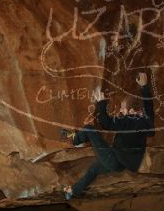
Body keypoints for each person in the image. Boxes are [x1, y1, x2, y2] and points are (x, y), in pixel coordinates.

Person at [63, 71, 155, 199]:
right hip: (121, 165)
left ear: (132, 111)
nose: (121, 111)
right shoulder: (146, 122)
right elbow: (149, 108)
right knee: (93, 169)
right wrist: (144, 88)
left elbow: (106, 123)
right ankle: (72, 191)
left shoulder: (128, 121)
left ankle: (74, 139)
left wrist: (101, 102)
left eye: (123, 109)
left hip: (113, 159)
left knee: (90, 130)